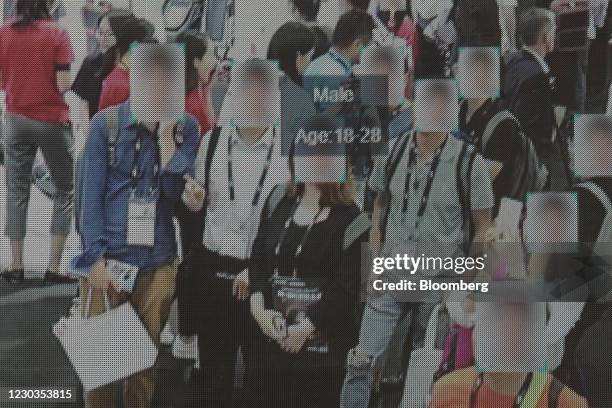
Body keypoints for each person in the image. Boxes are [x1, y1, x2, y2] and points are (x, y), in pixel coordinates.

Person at [340, 80, 495, 408]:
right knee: (360, 362)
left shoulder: (470, 163)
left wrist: (469, 284)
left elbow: (483, 227)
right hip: (392, 272)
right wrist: (374, 265)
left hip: (440, 282)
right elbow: (380, 207)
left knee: (427, 372)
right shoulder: (393, 150)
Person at [73, 50, 200, 408]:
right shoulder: (106, 125)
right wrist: (94, 259)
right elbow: (90, 198)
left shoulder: (185, 127)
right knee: (99, 363)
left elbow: (175, 196)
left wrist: (165, 145)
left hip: (157, 260)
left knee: (142, 359)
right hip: (108, 258)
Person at [179, 59, 290, 407]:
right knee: (214, 373)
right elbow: (198, 201)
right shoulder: (211, 142)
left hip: (263, 273)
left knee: (263, 375)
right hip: (213, 270)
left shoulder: (288, 151)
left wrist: (256, 270)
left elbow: (290, 223)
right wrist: (192, 200)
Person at [246, 147, 369, 408]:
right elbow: (258, 259)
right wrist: (258, 308)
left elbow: (346, 288)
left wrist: (304, 328)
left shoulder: (354, 219)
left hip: (323, 351)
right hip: (273, 339)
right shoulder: (280, 202)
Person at [0, 0, 75, 284]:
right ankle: (54, 268)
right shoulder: (57, 34)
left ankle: (16, 264)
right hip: (51, 119)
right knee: (64, 190)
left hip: (16, 118)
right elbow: (63, 84)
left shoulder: (3, 33)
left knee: (16, 189)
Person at [505, 8, 569, 190]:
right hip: (532, 165)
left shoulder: (512, 61)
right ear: (545, 37)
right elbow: (531, 128)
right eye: (553, 31)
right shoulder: (537, 77)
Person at [72, 8, 133, 124]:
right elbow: (84, 105)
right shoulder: (91, 63)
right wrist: (90, 134)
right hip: (97, 129)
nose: (102, 39)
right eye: (100, 32)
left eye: (109, 34)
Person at [97, 15, 153, 110]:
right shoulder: (118, 84)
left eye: (110, 34)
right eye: (100, 32)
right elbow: (111, 123)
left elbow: (109, 123)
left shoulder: (120, 82)